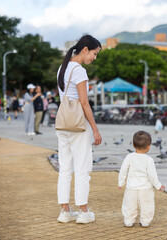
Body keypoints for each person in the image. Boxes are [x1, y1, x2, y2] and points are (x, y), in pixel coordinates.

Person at [56, 35, 102, 224]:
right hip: (78, 125)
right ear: (85, 50)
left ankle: (65, 211)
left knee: (65, 169)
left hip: (63, 123)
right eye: (94, 53)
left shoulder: (63, 67)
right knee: (83, 168)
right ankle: (83, 212)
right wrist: (95, 129)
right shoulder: (79, 70)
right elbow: (84, 102)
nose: (94, 57)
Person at [118, 131, 165, 228]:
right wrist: (158, 185)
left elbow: (123, 170)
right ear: (149, 146)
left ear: (133, 145)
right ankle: (145, 222)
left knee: (129, 205)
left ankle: (129, 221)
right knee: (147, 205)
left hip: (131, 188)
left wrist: (121, 182)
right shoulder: (149, 160)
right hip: (145, 189)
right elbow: (152, 175)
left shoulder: (129, 157)